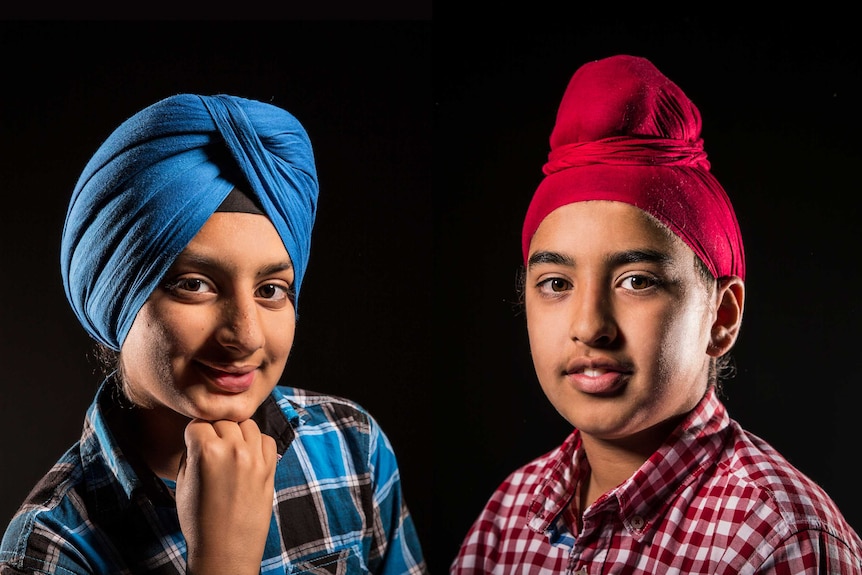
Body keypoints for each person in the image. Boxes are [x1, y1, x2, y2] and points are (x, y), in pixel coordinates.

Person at [450, 55, 862, 574]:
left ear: (722, 315)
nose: (589, 327)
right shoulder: (506, 517)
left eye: (637, 281)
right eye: (556, 284)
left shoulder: (778, 537)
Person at [0, 93, 427, 575]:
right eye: (195, 285)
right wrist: (222, 559)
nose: (244, 337)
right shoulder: (50, 549)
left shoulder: (352, 447)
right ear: (116, 299)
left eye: (271, 289)